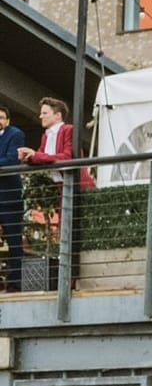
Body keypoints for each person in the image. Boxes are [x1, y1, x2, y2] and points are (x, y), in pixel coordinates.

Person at [19, 97, 96, 192]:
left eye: (44, 113)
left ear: (58, 115)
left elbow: (67, 157)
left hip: (77, 186)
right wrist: (28, 157)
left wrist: (35, 154)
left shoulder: (69, 129)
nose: (40, 116)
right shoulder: (46, 136)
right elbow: (40, 157)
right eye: (41, 113)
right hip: (60, 187)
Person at [0, 105, 25, 292]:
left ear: (7, 120)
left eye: (1, 117)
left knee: (14, 240)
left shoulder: (15, 134)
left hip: (9, 195)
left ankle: (15, 284)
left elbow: (11, 160)